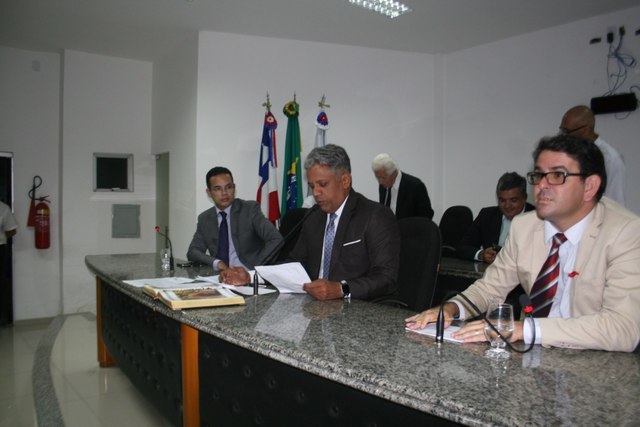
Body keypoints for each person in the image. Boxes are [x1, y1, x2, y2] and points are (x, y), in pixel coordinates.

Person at [406, 134, 640, 352]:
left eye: (557, 175)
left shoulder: (625, 232)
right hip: (530, 355)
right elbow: (490, 289)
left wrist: (523, 329)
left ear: (589, 186)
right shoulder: (524, 226)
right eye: (538, 175)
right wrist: (452, 308)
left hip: (595, 362)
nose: (542, 186)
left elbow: (622, 328)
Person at [222, 144, 401, 301]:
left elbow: (386, 277)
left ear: (345, 180)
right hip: (314, 306)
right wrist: (251, 277)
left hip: (356, 309)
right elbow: (294, 265)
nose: (315, 193)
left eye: (322, 184)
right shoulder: (315, 216)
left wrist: (341, 289)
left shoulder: (375, 216)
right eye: (312, 186)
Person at [187, 167, 283, 274]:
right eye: (217, 189)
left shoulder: (250, 210)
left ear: (234, 188)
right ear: (209, 192)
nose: (224, 193)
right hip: (220, 277)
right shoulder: (205, 218)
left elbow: (276, 239)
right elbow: (193, 252)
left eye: (228, 187)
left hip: (248, 276)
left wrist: (254, 269)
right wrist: (216, 263)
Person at [456, 172, 534, 264]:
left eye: (513, 200)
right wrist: (481, 254)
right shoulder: (487, 215)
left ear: (524, 198)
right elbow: (463, 247)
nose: (507, 206)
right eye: (502, 200)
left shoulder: (539, 218)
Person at [560, 105, 625, 205]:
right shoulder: (568, 153)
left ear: (585, 130)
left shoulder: (610, 158)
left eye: (567, 131)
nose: (563, 136)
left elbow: (615, 200)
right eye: (562, 130)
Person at [371, 153, 434, 219]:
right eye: (377, 177)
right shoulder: (383, 186)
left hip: (410, 225)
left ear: (393, 173)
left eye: (383, 178)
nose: (380, 182)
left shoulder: (415, 186)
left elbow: (426, 215)